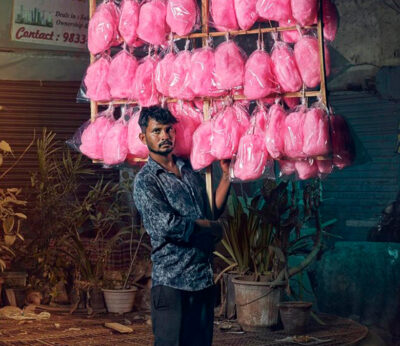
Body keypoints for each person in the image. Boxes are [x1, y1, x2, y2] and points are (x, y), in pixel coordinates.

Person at [133, 106, 231, 346]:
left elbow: (209, 211)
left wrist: (227, 176)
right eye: (157, 131)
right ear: (143, 137)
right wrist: (211, 227)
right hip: (172, 283)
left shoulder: (189, 170)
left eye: (169, 130)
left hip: (202, 280)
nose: (165, 136)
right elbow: (167, 226)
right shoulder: (146, 181)